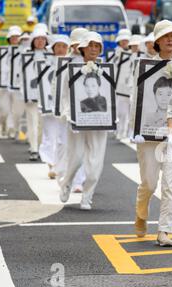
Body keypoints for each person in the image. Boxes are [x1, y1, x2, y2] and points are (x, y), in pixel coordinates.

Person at [130, 20, 172, 247]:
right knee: (149, 184)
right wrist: (136, 129)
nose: (170, 40)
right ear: (157, 42)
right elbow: (136, 99)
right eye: (166, 36)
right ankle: (141, 214)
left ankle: (164, 230)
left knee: (171, 185)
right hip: (149, 134)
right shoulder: (144, 66)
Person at [59, 31, 109, 210]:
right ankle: (66, 182)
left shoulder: (106, 69)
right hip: (77, 121)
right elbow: (65, 95)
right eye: (90, 45)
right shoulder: (72, 68)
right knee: (77, 158)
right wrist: (68, 115)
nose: (94, 49)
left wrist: (112, 117)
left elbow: (111, 96)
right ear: (82, 48)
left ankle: (87, 197)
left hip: (99, 122)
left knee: (96, 163)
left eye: (97, 46)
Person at [54, 28, 88, 194]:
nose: (78, 48)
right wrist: (58, 109)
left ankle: (79, 180)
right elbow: (57, 88)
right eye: (75, 44)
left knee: (83, 149)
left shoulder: (92, 62)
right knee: (68, 145)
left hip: (87, 112)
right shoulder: (64, 63)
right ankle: (66, 175)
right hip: (67, 111)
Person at [39, 35, 71, 180]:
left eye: (64, 46)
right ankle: (51, 163)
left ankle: (59, 165)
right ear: (52, 48)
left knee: (62, 138)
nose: (61, 49)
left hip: (64, 107)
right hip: (48, 104)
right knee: (49, 135)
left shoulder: (72, 65)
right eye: (58, 46)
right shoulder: (44, 63)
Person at [24, 28, 50, 161]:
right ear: (33, 41)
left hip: (45, 95)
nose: (40, 41)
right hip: (30, 94)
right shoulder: (25, 55)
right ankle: (33, 149)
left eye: (43, 39)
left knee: (42, 123)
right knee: (32, 122)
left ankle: (39, 146)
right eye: (37, 39)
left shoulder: (51, 55)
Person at [0, 26, 22, 139]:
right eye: (13, 37)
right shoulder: (2, 51)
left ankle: (15, 129)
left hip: (18, 86)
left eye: (17, 37)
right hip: (4, 85)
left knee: (17, 110)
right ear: (9, 38)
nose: (15, 39)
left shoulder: (24, 52)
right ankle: (4, 124)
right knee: (4, 108)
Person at [114, 29, 132, 140]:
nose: (124, 42)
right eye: (122, 40)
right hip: (118, 87)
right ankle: (120, 130)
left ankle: (128, 132)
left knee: (130, 112)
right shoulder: (115, 53)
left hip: (130, 87)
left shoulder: (134, 53)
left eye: (126, 40)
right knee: (121, 111)